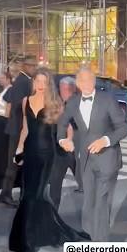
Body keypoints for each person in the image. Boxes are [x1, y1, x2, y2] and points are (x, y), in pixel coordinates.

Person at [8, 69, 90, 252]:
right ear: (34, 82)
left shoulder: (55, 104)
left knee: (33, 194)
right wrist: (19, 150)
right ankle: (43, 231)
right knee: (30, 194)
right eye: (37, 80)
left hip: (46, 154)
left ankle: (26, 239)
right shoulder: (25, 102)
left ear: (48, 84)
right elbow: (25, 129)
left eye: (43, 81)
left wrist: (67, 140)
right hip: (29, 152)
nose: (40, 84)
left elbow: (68, 127)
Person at [58, 67, 127, 242]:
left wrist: (105, 140)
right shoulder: (73, 102)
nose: (86, 84)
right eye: (82, 80)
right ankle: (93, 234)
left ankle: (100, 245)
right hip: (86, 161)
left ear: (94, 81)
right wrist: (63, 140)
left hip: (108, 158)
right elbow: (62, 123)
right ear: (78, 83)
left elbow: (123, 128)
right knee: (89, 202)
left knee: (102, 202)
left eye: (90, 80)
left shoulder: (107, 100)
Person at [0, 55, 36, 207]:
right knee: (15, 163)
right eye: (32, 65)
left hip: (17, 127)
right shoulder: (24, 81)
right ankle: (7, 194)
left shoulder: (21, 80)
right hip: (19, 128)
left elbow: (8, 97)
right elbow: (20, 105)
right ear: (25, 66)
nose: (34, 68)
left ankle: (11, 193)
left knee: (17, 162)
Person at [49, 76, 80, 208]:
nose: (60, 92)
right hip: (61, 150)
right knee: (55, 181)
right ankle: (53, 211)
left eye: (63, 89)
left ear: (70, 89)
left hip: (75, 149)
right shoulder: (61, 104)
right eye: (60, 89)